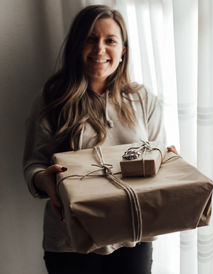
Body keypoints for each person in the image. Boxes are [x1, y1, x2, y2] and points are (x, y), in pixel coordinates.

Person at [23, 5, 175, 274]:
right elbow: (33, 164)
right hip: (71, 241)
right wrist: (44, 179)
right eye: (90, 39)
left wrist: (168, 161)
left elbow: (158, 156)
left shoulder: (143, 99)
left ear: (123, 50)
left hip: (134, 237)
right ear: (76, 45)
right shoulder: (51, 99)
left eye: (110, 40)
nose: (99, 49)